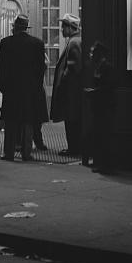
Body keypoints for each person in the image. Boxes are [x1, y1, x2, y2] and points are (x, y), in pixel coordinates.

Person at [0, 15, 46, 162]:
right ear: (26, 28)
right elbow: (40, 69)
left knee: (11, 121)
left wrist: (3, 87)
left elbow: (2, 68)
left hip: (11, 89)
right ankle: (26, 153)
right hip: (30, 90)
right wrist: (37, 87)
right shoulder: (37, 43)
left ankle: (9, 153)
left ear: (15, 27)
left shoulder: (6, 43)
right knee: (28, 121)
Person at [51, 13, 83, 156]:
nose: (61, 29)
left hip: (71, 92)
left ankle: (73, 148)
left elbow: (73, 68)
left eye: (64, 26)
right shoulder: (76, 40)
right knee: (73, 120)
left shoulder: (74, 43)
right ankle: (75, 147)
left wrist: (62, 83)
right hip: (74, 92)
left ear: (71, 28)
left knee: (71, 122)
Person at [82, 40, 115, 173]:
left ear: (99, 54)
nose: (90, 55)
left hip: (105, 106)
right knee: (99, 134)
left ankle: (105, 164)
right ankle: (100, 163)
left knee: (103, 135)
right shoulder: (99, 67)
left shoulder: (106, 67)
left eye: (92, 52)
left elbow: (108, 87)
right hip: (100, 106)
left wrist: (93, 92)